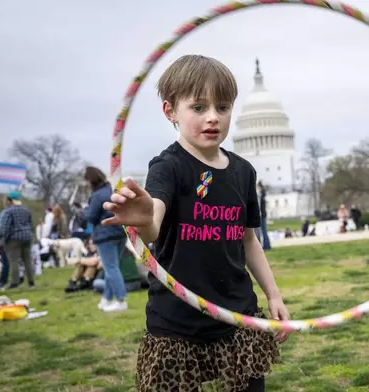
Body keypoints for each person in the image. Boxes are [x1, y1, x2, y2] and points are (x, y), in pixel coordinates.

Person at [102, 55, 289, 391]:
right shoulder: (168, 167)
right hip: (177, 320)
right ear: (170, 111)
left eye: (222, 106)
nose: (213, 117)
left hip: (237, 314)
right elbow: (154, 221)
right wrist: (145, 219)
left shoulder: (243, 171)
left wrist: (273, 294)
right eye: (199, 107)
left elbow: (248, 240)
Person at [84, 166, 128, 312]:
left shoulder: (97, 195)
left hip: (104, 235)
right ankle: (106, 298)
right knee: (113, 267)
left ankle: (121, 301)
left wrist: (85, 209)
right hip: (121, 232)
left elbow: (91, 217)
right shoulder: (113, 189)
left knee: (110, 268)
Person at [0, 191, 36, 289]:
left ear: (10, 200)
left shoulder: (8, 211)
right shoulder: (26, 210)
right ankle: (31, 282)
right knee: (27, 260)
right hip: (27, 237)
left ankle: (15, 282)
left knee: (14, 261)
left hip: (13, 239)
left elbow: (5, 227)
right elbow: (31, 224)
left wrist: (0, 237)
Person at [256, 181, 271, 250]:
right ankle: (266, 245)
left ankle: (266, 246)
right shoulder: (263, 195)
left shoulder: (260, 196)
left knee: (263, 231)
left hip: (261, 215)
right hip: (263, 214)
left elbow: (259, 206)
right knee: (264, 231)